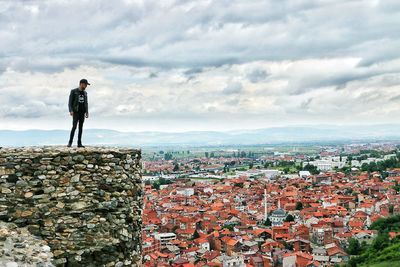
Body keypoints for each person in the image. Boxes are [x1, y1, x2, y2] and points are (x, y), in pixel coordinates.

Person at [67, 79, 90, 147]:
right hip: (75, 112)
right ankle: (70, 143)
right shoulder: (74, 91)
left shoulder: (85, 93)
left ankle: (79, 143)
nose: (86, 86)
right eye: (85, 84)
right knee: (74, 127)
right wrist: (71, 110)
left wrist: (87, 112)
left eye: (86, 85)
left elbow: (86, 103)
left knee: (81, 127)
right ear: (81, 84)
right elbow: (70, 102)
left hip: (82, 112)